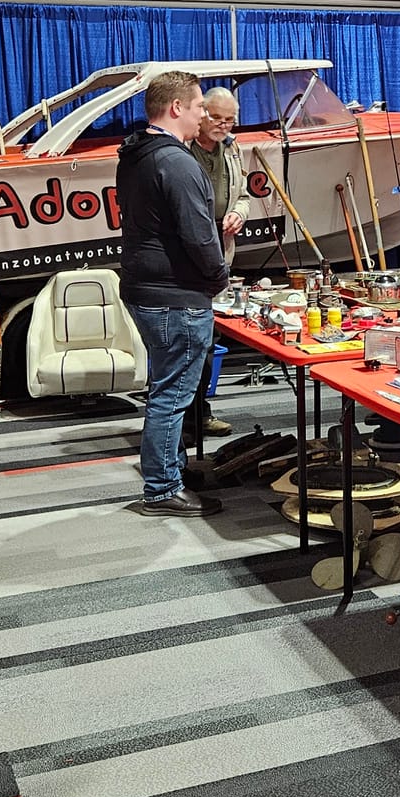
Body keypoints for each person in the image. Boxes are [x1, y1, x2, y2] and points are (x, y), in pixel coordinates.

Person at [117, 70, 231, 517]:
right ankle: (163, 488)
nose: (204, 114)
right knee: (171, 394)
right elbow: (199, 235)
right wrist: (218, 277)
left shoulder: (136, 153)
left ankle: (172, 472)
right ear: (177, 107)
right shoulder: (177, 163)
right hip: (175, 295)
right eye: (200, 106)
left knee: (166, 387)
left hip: (147, 290)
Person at [188, 85, 250, 437]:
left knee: (209, 337)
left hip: (220, 253)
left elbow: (244, 195)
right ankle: (184, 418)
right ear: (201, 114)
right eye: (216, 118)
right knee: (190, 340)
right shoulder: (182, 149)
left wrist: (239, 213)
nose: (223, 125)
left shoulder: (233, 148)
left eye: (230, 120)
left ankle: (200, 413)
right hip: (188, 257)